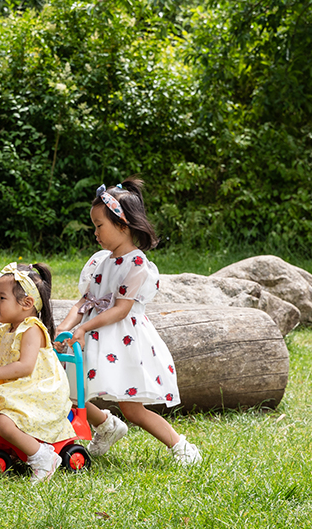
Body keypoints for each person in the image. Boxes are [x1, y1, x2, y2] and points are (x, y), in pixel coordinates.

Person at [54, 178, 202, 467]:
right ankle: (107, 426)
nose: (95, 232)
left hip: (120, 340)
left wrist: (83, 327)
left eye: (100, 225)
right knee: (67, 390)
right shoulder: (101, 261)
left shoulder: (136, 264)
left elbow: (121, 309)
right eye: (94, 226)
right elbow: (84, 302)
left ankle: (181, 446)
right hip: (92, 335)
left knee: (132, 409)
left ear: (123, 225)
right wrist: (64, 327)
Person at [0, 262, 74, 483]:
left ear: (27, 303)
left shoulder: (31, 329)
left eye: (2, 298)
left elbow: (24, 367)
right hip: (17, 387)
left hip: (38, 389)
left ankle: (42, 456)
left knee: (3, 423)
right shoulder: (4, 330)